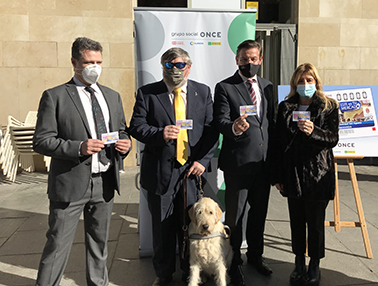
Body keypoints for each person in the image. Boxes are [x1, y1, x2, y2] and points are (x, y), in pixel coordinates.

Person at [33, 37, 131, 286]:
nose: (94, 67)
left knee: (99, 244)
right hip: (70, 183)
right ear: (74, 62)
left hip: (105, 181)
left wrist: (125, 144)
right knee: (57, 245)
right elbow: (42, 141)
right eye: (88, 62)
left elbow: (121, 131)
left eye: (98, 62)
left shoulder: (112, 96)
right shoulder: (55, 96)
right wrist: (79, 147)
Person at [128, 47, 218, 286]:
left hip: (191, 171)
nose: (175, 69)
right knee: (163, 228)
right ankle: (164, 274)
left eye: (180, 65)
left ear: (188, 67)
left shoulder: (202, 91)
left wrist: (202, 161)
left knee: (191, 225)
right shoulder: (148, 93)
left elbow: (211, 130)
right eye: (169, 65)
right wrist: (160, 133)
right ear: (162, 66)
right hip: (161, 172)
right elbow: (136, 127)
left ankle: (191, 272)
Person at [213, 39, 275, 286]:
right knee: (235, 216)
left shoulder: (268, 87)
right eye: (244, 58)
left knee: (259, 214)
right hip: (238, 164)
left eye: (253, 58)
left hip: (263, 164)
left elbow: (271, 123)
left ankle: (256, 257)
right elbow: (219, 120)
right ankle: (234, 259)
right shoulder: (225, 87)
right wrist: (234, 128)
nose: (249, 62)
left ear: (260, 60)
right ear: (236, 60)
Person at [271, 63, 339, 286]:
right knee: (297, 222)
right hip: (293, 174)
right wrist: (278, 177)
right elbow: (279, 143)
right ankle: (298, 262)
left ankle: (315, 265)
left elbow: (332, 138)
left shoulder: (328, 106)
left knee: (316, 224)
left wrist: (314, 132)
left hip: (318, 174)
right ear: (294, 84)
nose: (305, 84)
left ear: (316, 82)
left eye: (309, 80)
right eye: (301, 81)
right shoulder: (286, 107)